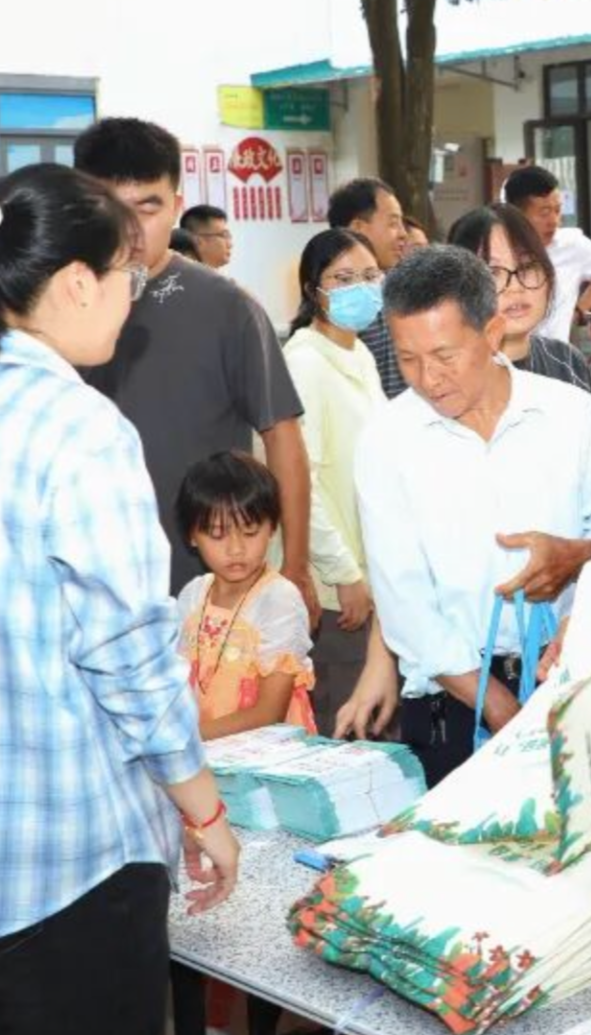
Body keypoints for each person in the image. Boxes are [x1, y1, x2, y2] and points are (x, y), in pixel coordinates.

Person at [0, 166, 239, 1035]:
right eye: (127, 276)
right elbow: (129, 653)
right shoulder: (80, 430)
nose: (131, 299)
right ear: (77, 281)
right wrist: (204, 809)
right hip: (58, 865)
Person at [353, 246, 591, 785]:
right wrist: (503, 711)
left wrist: (578, 615)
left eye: (445, 355)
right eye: (408, 359)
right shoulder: (387, 440)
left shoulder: (568, 414)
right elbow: (404, 600)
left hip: (569, 679)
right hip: (452, 702)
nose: (428, 378)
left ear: (493, 332)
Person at [74, 118, 314, 611]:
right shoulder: (55, 305)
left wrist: (295, 566)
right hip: (87, 581)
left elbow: (282, 436)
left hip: (209, 590)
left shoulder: (227, 307)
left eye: (148, 208)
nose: (130, 229)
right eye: (110, 207)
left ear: (176, 206)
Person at [284, 228, 387, 734]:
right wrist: (344, 573)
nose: (360, 289)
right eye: (343, 279)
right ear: (313, 290)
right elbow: (302, 481)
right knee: (345, 724)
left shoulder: (358, 353)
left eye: (369, 276)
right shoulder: (305, 363)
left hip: (371, 573)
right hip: (336, 587)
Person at [177, 450, 317, 736]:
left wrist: (187, 739)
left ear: (272, 527)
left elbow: (269, 714)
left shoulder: (279, 600)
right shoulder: (192, 596)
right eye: (217, 534)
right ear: (192, 535)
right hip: (205, 749)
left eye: (250, 531)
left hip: (268, 753)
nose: (236, 549)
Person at [448, 203, 591, 398]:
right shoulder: (443, 379)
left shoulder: (567, 362)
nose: (516, 287)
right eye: (492, 272)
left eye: (527, 267)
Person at [504, 166, 591, 344]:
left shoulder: (570, 245)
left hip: (555, 354)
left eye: (558, 210)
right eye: (544, 213)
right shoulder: (497, 249)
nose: (554, 221)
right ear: (516, 215)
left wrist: (578, 310)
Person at [328, 178, 413, 400]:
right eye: (393, 223)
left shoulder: (400, 286)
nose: (403, 234)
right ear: (358, 229)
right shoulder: (335, 300)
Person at [181, 204, 233, 271]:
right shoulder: (183, 275)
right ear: (197, 241)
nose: (230, 245)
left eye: (228, 236)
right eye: (224, 235)